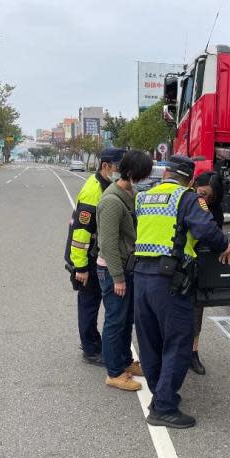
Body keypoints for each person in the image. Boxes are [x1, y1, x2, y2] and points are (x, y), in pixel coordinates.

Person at [134, 156, 230, 429]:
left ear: (165, 172)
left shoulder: (143, 197)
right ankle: (164, 408)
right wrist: (224, 245)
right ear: (190, 179)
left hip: (141, 277)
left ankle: (161, 395)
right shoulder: (186, 198)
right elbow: (205, 230)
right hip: (169, 280)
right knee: (178, 343)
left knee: (150, 342)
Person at [96, 150, 153, 391]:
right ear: (130, 172)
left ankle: (126, 362)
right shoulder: (111, 201)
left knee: (126, 320)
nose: (143, 180)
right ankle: (114, 373)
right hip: (113, 270)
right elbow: (108, 243)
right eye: (140, 175)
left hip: (127, 267)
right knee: (115, 321)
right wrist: (118, 278)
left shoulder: (131, 193)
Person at [64, 147, 124, 365]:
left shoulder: (108, 184)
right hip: (86, 258)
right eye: (118, 167)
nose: (120, 171)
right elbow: (81, 231)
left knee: (98, 302)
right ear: (106, 166)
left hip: (95, 255)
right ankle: (90, 349)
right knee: (89, 305)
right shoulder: (94, 189)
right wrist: (80, 267)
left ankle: (96, 343)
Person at [189, 171, 225, 375]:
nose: (204, 199)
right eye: (202, 193)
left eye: (210, 197)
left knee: (196, 311)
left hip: (201, 265)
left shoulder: (215, 210)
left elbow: (216, 234)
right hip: (178, 264)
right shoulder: (185, 200)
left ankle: (192, 353)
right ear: (194, 184)